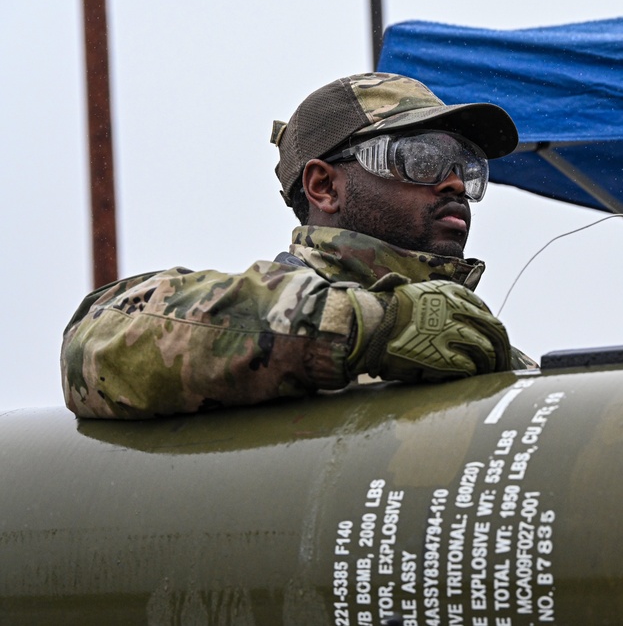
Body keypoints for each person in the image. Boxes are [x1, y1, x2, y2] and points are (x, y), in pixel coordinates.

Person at [61, 72, 535, 419]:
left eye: (467, 167)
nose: (453, 182)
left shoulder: (475, 345)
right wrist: (372, 328)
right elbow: (96, 338)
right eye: (423, 157)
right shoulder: (263, 316)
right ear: (324, 187)